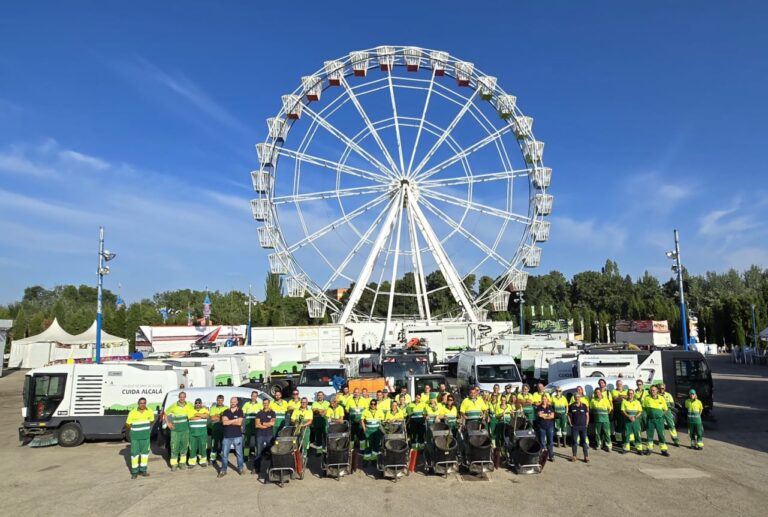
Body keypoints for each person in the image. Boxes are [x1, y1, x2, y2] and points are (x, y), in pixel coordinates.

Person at [125, 397, 154, 479]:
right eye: (141, 403)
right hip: (135, 437)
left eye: (144, 403)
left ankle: (143, 470)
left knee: (145, 454)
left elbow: (151, 421)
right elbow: (128, 424)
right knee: (134, 454)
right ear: (138, 403)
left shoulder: (150, 411)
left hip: (145, 437)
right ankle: (134, 472)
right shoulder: (132, 412)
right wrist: (135, 429)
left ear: (146, 403)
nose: (142, 404)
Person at [165, 391, 192, 471]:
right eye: (181, 397)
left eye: (183, 397)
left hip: (185, 430)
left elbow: (196, 409)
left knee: (184, 447)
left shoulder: (189, 404)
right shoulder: (174, 405)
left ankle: (182, 464)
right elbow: (165, 413)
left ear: (185, 397)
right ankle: (174, 464)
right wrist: (168, 423)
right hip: (175, 431)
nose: (182, 398)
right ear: (179, 397)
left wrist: (203, 406)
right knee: (174, 447)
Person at [219, 397, 244, 477]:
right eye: (231, 402)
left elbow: (239, 423)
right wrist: (234, 420)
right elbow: (224, 423)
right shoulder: (226, 411)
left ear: (237, 402)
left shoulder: (240, 411)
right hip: (227, 436)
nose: (232, 403)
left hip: (237, 436)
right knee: (224, 454)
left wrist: (229, 421)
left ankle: (240, 468)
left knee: (239, 453)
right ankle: (223, 470)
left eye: (234, 402)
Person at [643, 386, 670, 456]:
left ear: (657, 391)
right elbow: (644, 408)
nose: (653, 391)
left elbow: (665, 409)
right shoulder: (646, 398)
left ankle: (664, 450)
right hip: (650, 420)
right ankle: (649, 449)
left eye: (654, 390)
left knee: (661, 435)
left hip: (659, 420)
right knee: (649, 435)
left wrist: (661, 415)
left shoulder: (661, 398)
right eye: (651, 390)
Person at [253, 399, 275, 478]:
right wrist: (266, 425)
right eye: (264, 403)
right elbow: (257, 425)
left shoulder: (272, 413)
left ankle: (273, 468)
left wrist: (262, 423)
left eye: (266, 403)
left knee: (272, 452)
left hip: (269, 435)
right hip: (260, 435)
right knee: (258, 452)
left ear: (269, 404)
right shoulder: (259, 413)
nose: (265, 404)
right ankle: (257, 468)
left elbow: (272, 423)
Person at [567, 392, 589, 463]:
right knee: (574, 442)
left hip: (583, 427)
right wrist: (570, 423)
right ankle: (574, 456)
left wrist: (586, 424)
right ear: (574, 398)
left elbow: (587, 415)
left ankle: (586, 457)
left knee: (584, 442)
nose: (577, 398)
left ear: (580, 398)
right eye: (576, 397)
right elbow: (569, 415)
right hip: (575, 427)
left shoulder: (584, 406)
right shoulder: (571, 406)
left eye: (578, 397)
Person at [621, 388, 644, 455]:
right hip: (627, 420)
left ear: (633, 394)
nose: (630, 394)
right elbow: (623, 411)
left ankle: (639, 449)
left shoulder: (637, 402)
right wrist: (628, 417)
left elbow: (640, 411)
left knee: (637, 434)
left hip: (635, 420)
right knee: (627, 434)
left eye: (631, 393)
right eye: (629, 393)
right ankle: (626, 448)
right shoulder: (624, 402)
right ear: (627, 394)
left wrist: (635, 417)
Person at [188, 398, 210, 468]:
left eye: (199, 403)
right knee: (192, 448)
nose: (198, 404)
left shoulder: (205, 409)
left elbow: (206, 416)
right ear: (195, 403)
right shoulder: (190, 410)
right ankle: (192, 462)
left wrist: (197, 414)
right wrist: (201, 416)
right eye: (196, 403)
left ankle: (202, 461)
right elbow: (191, 418)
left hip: (202, 433)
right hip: (192, 433)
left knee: (203, 447)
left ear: (201, 403)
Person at [242, 391, 261, 460]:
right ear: (251, 396)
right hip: (248, 425)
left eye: (255, 396)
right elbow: (243, 413)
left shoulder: (260, 404)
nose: (254, 397)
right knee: (247, 441)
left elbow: (262, 414)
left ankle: (257, 455)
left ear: (257, 397)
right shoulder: (246, 404)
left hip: (256, 425)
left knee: (257, 441)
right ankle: (246, 456)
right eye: (253, 396)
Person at [209, 395, 227, 464]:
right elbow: (212, 418)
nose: (220, 402)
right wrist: (221, 416)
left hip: (224, 429)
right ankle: (212, 458)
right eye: (218, 400)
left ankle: (223, 458)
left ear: (223, 400)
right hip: (215, 429)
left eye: (221, 400)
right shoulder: (213, 408)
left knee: (223, 445)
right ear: (216, 400)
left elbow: (226, 418)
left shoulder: (226, 408)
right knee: (214, 445)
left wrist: (217, 416)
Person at [536, 396, 556, 462]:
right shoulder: (539, 407)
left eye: (545, 399)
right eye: (543, 399)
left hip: (549, 427)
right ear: (541, 400)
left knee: (550, 442)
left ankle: (551, 456)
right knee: (542, 443)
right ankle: (542, 457)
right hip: (542, 427)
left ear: (547, 400)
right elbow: (539, 415)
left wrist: (545, 416)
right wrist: (548, 415)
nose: (544, 400)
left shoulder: (550, 407)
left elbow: (552, 416)